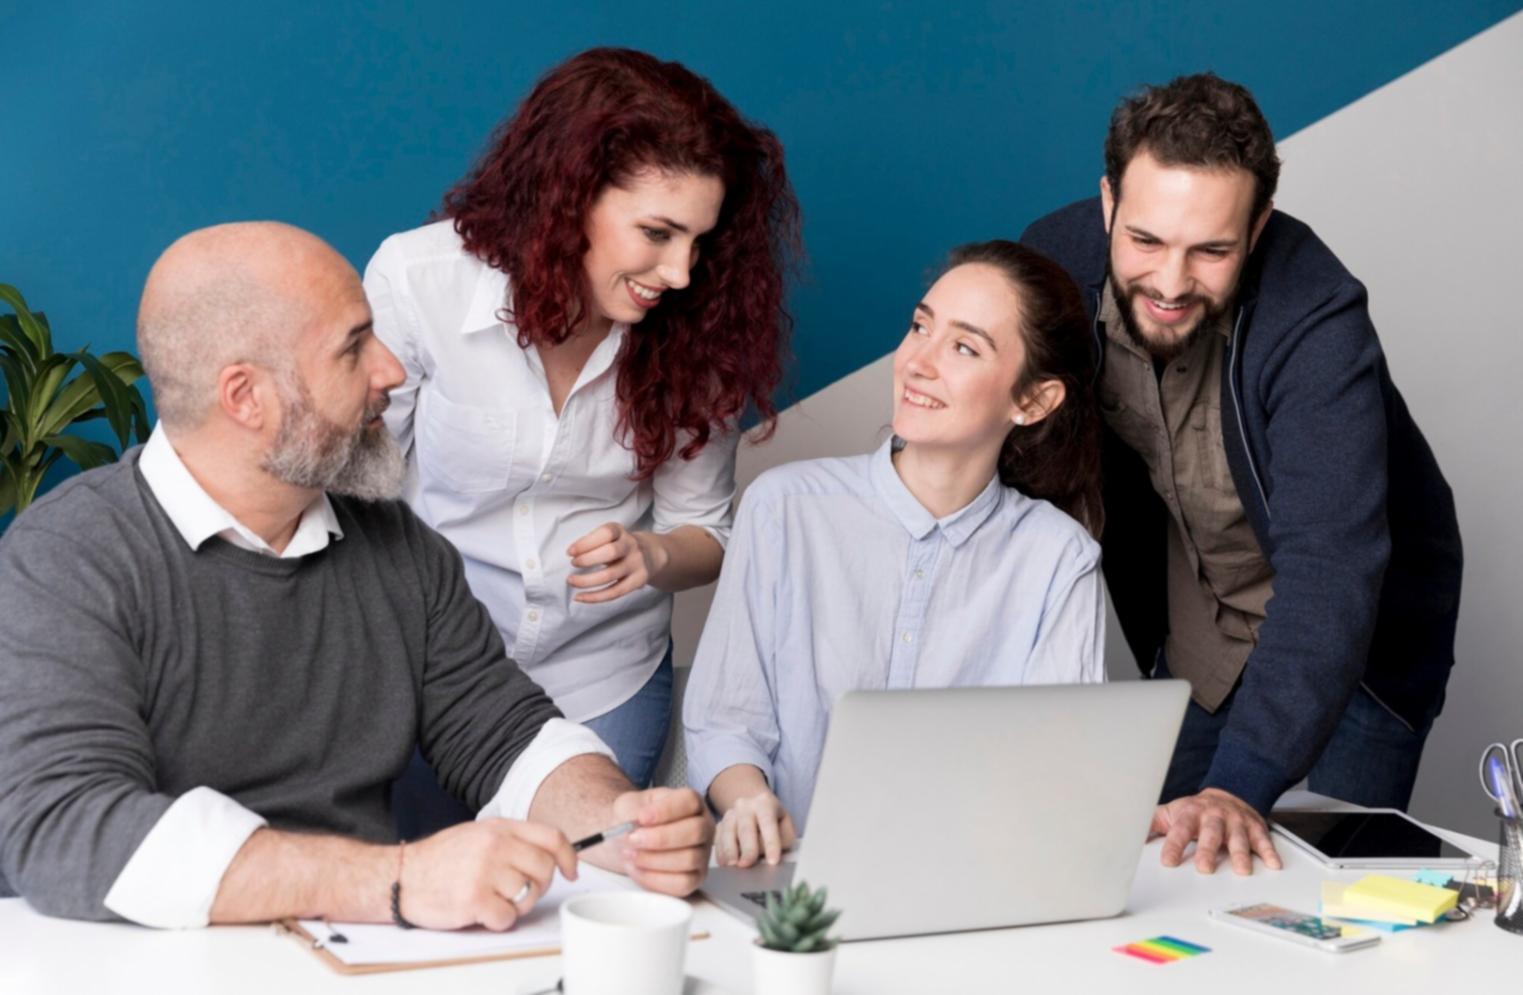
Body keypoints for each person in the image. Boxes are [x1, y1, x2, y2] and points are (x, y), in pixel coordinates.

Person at [0, 222, 712, 928]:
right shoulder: (67, 557)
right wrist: (393, 878)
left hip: (356, 957)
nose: (391, 371)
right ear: (245, 397)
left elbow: (504, 731)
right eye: (353, 347)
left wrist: (621, 819)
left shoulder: (396, 544)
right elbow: (64, 825)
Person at [1021, 73, 1463, 876]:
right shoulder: (1051, 266)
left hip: (1357, 638)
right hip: (1205, 621)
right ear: (1106, 201)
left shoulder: (1316, 318)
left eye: (1211, 250)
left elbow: (1331, 573)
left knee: (1320, 890)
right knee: (1144, 866)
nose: (1169, 281)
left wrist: (1240, 785)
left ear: (1256, 229)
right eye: (1145, 240)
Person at [364, 48, 801, 825]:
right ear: (568, 198)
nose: (680, 273)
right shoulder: (418, 280)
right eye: (657, 233)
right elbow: (353, 492)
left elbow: (705, 531)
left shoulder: (697, 336)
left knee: (581, 905)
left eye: (698, 242)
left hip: (602, 681)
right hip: (423, 676)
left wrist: (654, 555)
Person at [683, 240, 1107, 868]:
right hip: (784, 878)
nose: (916, 362)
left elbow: (1055, 768)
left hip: (964, 886)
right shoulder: (785, 507)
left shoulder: (1058, 559)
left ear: (1034, 402)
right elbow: (724, 721)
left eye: (964, 347)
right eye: (919, 327)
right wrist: (747, 801)